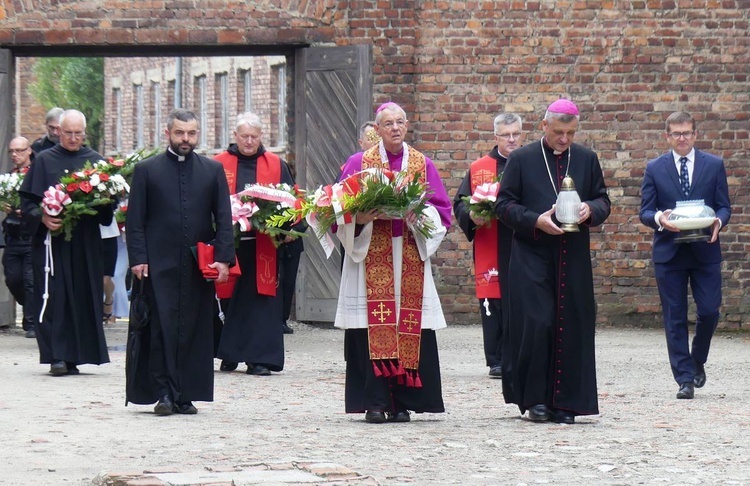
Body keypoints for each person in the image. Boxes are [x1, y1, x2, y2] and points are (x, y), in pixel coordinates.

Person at [335, 102, 452, 423]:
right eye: (388, 123)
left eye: (400, 122)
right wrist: (359, 217)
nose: (395, 128)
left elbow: (442, 211)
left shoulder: (422, 163)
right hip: (370, 252)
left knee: (407, 326)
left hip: (409, 250)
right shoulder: (359, 163)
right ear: (377, 128)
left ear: (407, 125)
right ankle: (374, 401)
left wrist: (419, 215)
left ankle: (402, 401)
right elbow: (336, 210)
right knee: (370, 328)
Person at [496, 99, 611, 424]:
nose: (564, 139)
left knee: (572, 325)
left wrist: (591, 209)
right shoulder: (521, 159)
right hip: (532, 256)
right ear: (544, 126)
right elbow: (503, 205)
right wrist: (535, 220)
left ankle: (568, 403)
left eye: (571, 133)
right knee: (538, 323)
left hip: (572, 258)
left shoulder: (586, 158)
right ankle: (536, 400)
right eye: (559, 132)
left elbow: (604, 199)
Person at [126, 108, 233, 415]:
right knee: (161, 328)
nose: (186, 139)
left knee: (195, 329)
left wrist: (224, 259)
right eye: (180, 133)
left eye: (191, 133)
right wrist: (138, 259)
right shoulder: (147, 170)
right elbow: (136, 220)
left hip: (197, 265)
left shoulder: (212, 170)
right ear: (168, 134)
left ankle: (186, 394)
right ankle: (163, 393)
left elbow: (224, 218)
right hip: (158, 265)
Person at [639, 111, 731, 400]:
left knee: (709, 310)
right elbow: (645, 211)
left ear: (695, 134)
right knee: (674, 316)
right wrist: (659, 218)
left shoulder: (714, 165)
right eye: (676, 133)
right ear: (668, 136)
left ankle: (697, 359)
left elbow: (724, 206)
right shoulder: (655, 168)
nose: (682, 137)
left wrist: (719, 221)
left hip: (705, 249)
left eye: (687, 132)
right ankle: (684, 379)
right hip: (670, 252)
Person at [19, 109, 112, 375]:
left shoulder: (96, 162)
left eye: (78, 133)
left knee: (83, 295)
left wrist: (107, 199)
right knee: (54, 296)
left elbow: (107, 210)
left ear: (85, 133)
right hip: (53, 243)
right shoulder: (45, 160)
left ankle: (80, 354)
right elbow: (27, 202)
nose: (73, 138)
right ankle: (57, 356)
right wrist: (43, 218)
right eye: (68, 132)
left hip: (85, 243)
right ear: (58, 131)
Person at [214, 112, 301, 375]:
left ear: (261, 136)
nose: (249, 141)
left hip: (265, 245)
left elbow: (293, 200)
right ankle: (229, 352)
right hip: (232, 244)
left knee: (261, 305)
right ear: (235, 136)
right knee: (229, 301)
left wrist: (290, 228)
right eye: (244, 136)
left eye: (254, 136)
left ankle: (259, 358)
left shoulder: (275, 163)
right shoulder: (219, 164)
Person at [453, 113, 524, 378]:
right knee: (493, 302)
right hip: (491, 241)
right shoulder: (479, 167)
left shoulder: (530, 163)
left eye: (516, 134)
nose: (511, 139)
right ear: (495, 137)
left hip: (522, 241)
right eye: (506, 135)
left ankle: (520, 355)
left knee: (522, 299)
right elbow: (460, 201)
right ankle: (496, 359)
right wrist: (471, 215)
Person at [3, 137, 35, 338]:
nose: (16, 155)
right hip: (13, 234)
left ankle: (31, 322)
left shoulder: (36, 174)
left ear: (29, 151)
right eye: (12, 151)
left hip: (32, 234)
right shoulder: (9, 177)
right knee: (13, 278)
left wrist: (30, 211)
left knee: (30, 279)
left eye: (20, 150)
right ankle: (30, 307)